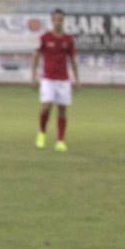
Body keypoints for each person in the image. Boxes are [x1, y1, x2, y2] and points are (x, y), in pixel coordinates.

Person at [31, 8, 79, 152]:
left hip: (63, 80)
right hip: (48, 79)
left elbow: (73, 60)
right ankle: (42, 133)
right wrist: (33, 76)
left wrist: (77, 79)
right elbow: (36, 56)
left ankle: (60, 140)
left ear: (63, 21)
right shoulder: (45, 37)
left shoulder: (68, 39)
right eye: (55, 19)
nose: (58, 22)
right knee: (46, 107)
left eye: (60, 19)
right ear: (52, 20)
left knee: (62, 110)